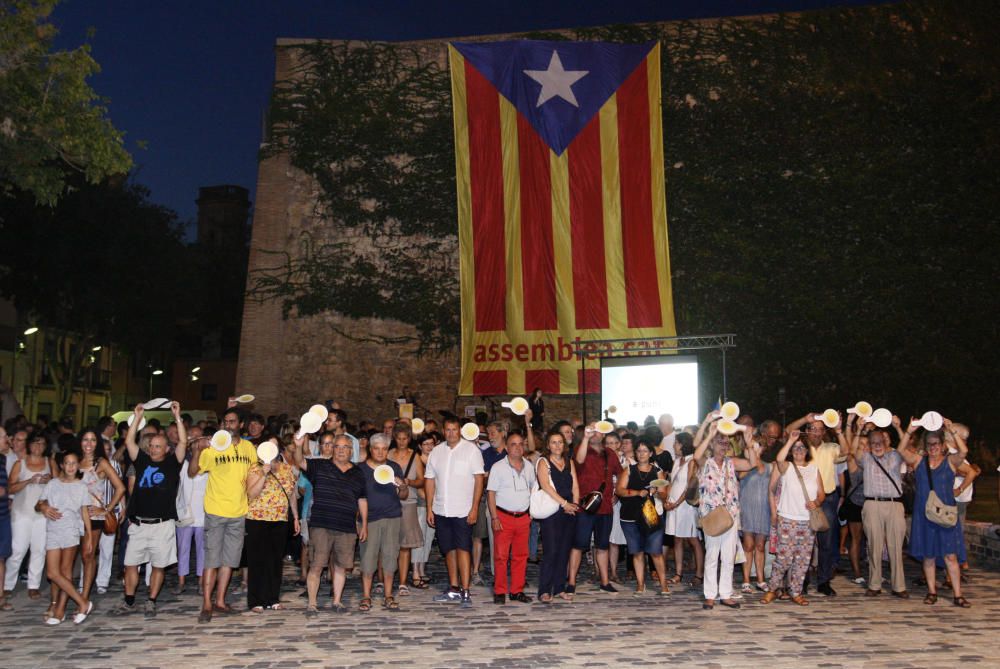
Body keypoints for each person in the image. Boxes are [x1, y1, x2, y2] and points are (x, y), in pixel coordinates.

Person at [110, 402, 187, 618]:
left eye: (158, 446)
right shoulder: (142, 460)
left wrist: (178, 417)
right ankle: (129, 600)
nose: (153, 449)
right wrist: (137, 417)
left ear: (167, 449)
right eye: (151, 445)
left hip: (162, 525)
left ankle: (151, 600)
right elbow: (129, 441)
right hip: (139, 523)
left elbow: (183, 441)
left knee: (159, 566)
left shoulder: (174, 463)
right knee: (131, 564)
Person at [189, 405, 257, 622]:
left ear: (241, 425)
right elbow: (192, 472)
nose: (228, 425)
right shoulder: (214, 448)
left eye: (232, 421)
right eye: (225, 422)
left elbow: (254, 475)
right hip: (216, 510)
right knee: (212, 559)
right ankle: (207, 603)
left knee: (229, 560)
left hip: (238, 511)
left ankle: (220, 601)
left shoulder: (248, 448)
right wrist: (197, 451)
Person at [292, 431, 367, 616]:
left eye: (345, 447)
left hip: (346, 526)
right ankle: (311, 604)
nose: (341, 451)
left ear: (351, 451)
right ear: (332, 449)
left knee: (341, 566)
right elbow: (300, 461)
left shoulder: (358, 472)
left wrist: (363, 523)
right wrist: (299, 445)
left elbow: (362, 499)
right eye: (337, 447)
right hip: (321, 524)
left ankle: (337, 601)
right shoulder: (319, 465)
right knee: (317, 564)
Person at [899, 419, 970, 607]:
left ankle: (958, 594)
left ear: (943, 444)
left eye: (936, 443)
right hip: (925, 515)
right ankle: (932, 591)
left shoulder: (950, 462)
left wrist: (952, 431)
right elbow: (900, 452)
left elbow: (963, 451)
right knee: (928, 555)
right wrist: (908, 431)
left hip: (945, 516)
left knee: (950, 555)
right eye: (929, 444)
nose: (933, 447)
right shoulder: (919, 461)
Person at [692, 413, 759, 610]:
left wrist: (748, 442)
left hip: (730, 515)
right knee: (712, 555)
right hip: (711, 515)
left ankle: (726, 594)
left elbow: (752, 464)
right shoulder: (706, 462)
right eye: (719, 441)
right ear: (712, 445)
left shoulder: (732, 462)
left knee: (728, 556)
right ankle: (710, 595)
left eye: (725, 441)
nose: (723, 444)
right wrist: (709, 432)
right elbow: (696, 455)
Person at [785, 412, 849, 597]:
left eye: (820, 430)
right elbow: (788, 430)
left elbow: (846, 453)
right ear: (807, 430)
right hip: (803, 500)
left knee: (827, 542)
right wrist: (806, 418)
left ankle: (823, 581)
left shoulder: (831, 447)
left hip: (827, 499)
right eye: (813, 429)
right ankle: (802, 581)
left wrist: (839, 431)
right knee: (805, 543)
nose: (816, 433)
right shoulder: (801, 446)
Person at [426, 417, 485, 608]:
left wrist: (475, 507)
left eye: (454, 429)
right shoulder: (437, 451)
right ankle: (454, 587)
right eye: (448, 430)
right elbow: (429, 480)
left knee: (463, 548)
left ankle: (466, 590)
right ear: (443, 431)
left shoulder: (471, 450)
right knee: (448, 549)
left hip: (463, 509)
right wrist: (429, 507)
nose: (451, 433)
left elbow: (478, 480)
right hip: (442, 508)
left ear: (460, 431)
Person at [762, 430, 825, 605]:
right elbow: (780, 459)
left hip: (807, 521)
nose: (798, 450)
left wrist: (816, 502)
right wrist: (790, 440)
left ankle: (796, 592)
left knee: (803, 559)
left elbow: (821, 493)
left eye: (802, 447)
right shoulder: (787, 467)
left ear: (807, 451)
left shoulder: (814, 469)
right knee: (783, 558)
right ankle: (772, 589)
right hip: (788, 518)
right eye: (796, 448)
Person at [36, 451, 94, 625]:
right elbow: (39, 503)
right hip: (53, 529)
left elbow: (84, 512)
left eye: (74, 463)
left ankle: (60, 610)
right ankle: (83, 602)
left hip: (71, 530)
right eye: (67, 463)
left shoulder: (81, 486)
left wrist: (89, 536)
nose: (70, 466)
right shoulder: (53, 484)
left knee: (66, 571)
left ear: (78, 466)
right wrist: (44, 508)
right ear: (61, 465)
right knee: (53, 573)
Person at [854, 422, 909, 597]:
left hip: (894, 504)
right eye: (873, 443)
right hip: (872, 504)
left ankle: (898, 586)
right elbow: (853, 450)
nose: (877, 445)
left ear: (886, 443)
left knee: (895, 547)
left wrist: (902, 429)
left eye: (880, 442)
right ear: (869, 445)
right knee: (874, 546)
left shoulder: (894, 456)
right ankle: (874, 584)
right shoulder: (866, 458)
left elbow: (904, 446)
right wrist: (859, 430)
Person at [245, 437, 300, 613]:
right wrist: (263, 472)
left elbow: (291, 494)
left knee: (275, 561)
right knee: (257, 560)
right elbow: (251, 494)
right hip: (257, 519)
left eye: (275, 445)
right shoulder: (254, 468)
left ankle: (272, 598)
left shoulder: (286, 469)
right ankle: (256, 600)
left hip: (280, 520)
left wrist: (296, 517)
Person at [567, 426, 623, 595]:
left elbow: (620, 474)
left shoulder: (610, 454)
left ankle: (605, 582)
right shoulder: (581, 448)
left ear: (603, 433)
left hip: (605, 507)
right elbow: (579, 460)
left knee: (603, 546)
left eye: (598, 430)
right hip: (585, 507)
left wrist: (618, 494)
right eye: (591, 430)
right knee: (578, 545)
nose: (594, 433)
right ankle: (571, 582)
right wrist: (585, 438)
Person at [358, 433, 408, 612]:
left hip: (392, 516)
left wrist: (402, 486)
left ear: (388, 450)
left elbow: (403, 495)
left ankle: (388, 595)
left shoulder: (394, 467)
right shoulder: (361, 469)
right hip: (369, 519)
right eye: (376, 448)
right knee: (368, 558)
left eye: (384, 449)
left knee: (389, 557)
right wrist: (362, 523)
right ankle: (366, 596)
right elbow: (358, 497)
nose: (380, 452)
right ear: (371, 449)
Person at [75, 428, 126, 601]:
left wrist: (107, 509)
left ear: (97, 443)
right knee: (75, 554)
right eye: (85, 439)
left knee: (88, 554)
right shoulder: (73, 461)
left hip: (93, 515)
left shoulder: (101, 462)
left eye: (93, 440)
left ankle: (85, 594)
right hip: (72, 515)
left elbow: (120, 487)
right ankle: (71, 591)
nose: (88, 444)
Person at [615, 438, 670, 596]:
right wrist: (637, 493)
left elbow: (665, 494)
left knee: (655, 551)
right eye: (639, 451)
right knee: (637, 551)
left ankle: (663, 584)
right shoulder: (629, 470)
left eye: (645, 451)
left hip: (651, 516)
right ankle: (640, 584)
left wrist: (658, 492)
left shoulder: (657, 471)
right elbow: (619, 490)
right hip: (630, 516)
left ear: (651, 453)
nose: (641, 454)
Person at [486, 430, 534, 604]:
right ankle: (499, 590)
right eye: (513, 444)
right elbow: (491, 494)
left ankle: (516, 590)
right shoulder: (498, 467)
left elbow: (533, 490)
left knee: (521, 555)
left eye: (521, 444)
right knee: (501, 556)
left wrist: (531, 513)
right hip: (503, 516)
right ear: (506, 447)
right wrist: (494, 517)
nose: (518, 447)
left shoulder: (529, 467)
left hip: (523, 517)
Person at [3, 434, 51, 600]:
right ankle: (7, 584)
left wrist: (49, 479)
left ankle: (33, 585)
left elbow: (59, 483)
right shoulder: (20, 464)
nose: (38, 447)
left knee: (39, 550)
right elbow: (10, 488)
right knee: (18, 550)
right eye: (35, 443)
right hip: (21, 512)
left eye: (42, 443)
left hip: (42, 514)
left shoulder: (49, 463)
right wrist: (28, 481)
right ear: (29, 445)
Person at [535, 431, 579, 603]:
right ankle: (544, 590)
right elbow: (546, 486)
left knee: (564, 551)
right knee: (551, 551)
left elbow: (575, 484)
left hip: (569, 511)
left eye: (560, 442)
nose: (557, 446)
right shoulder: (543, 462)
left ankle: (560, 587)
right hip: (552, 511)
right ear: (548, 445)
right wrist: (564, 504)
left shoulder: (569, 462)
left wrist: (574, 505)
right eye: (553, 442)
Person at [388, 422, 424, 596]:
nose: (402, 442)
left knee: (405, 545)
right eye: (399, 439)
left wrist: (409, 482)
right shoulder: (388, 454)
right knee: (387, 544)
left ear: (409, 439)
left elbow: (422, 480)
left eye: (405, 439)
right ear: (395, 439)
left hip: (408, 501)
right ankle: (385, 579)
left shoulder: (414, 456)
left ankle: (402, 582)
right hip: (388, 501)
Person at [663, 432, 703, 586]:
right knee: (677, 539)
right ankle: (678, 573)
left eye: (676, 443)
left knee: (693, 540)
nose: (674, 445)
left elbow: (690, 486)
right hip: (673, 504)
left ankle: (699, 574)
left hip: (686, 506)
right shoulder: (676, 461)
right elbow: (671, 482)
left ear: (682, 444)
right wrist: (667, 499)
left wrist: (677, 503)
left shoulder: (691, 461)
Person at [738, 429, 772, 594]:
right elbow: (741, 476)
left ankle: (760, 579)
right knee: (748, 545)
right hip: (747, 510)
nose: (751, 448)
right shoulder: (744, 466)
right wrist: (751, 457)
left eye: (755, 446)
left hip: (764, 510)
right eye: (749, 446)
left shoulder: (770, 467)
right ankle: (745, 580)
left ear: (762, 448)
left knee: (760, 545)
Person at [174, 431, 208, 595]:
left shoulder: (209, 461)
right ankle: (181, 581)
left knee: (203, 550)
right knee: (183, 548)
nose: (196, 442)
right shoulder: (182, 461)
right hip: (185, 512)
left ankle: (202, 582)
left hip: (204, 512)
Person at [410, 431, 439, 589]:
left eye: (431, 443)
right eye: (425, 444)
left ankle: (421, 568)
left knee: (428, 538)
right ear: (420, 446)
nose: (429, 447)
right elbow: (418, 484)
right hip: (420, 503)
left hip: (434, 503)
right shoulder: (417, 461)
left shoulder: (436, 460)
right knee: (419, 538)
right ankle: (414, 570)